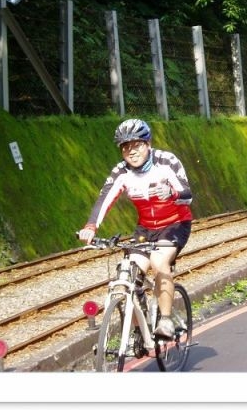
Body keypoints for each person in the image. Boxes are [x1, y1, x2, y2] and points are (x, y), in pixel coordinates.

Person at [78, 118, 193, 338]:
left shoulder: (166, 161)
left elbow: (187, 195)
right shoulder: (121, 171)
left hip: (175, 224)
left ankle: (166, 320)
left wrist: (172, 193)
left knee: (158, 262)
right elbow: (105, 198)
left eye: (137, 145)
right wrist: (91, 226)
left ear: (148, 144)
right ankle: (139, 332)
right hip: (145, 229)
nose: (131, 151)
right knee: (126, 275)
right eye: (125, 147)